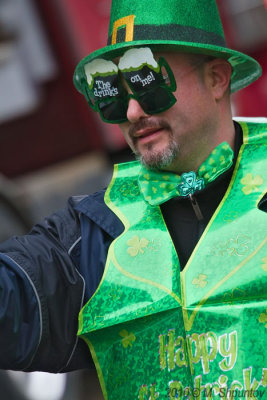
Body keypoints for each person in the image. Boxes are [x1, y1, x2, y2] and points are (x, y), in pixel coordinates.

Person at [0, 0, 266, 398]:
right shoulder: (93, 233)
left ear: (216, 78)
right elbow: (14, 297)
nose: (133, 110)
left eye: (148, 83)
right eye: (111, 93)